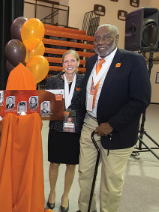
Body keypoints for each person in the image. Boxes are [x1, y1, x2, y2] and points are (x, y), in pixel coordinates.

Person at [77, 24, 151, 212]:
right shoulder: (91, 61)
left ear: (117, 38)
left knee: (110, 181)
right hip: (90, 124)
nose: (100, 42)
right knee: (85, 174)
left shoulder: (133, 61)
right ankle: (86, 209)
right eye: (97, 39)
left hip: (117, 130)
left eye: (106, 38)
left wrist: (111, 125)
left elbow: (140, 100)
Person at [46, 50, 84, 212]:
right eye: (66, 61)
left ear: (78, 62)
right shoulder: (52, 81)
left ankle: (66, 195)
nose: (69, 64)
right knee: (54, 162)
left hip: (75, 128)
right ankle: (52, 192)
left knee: (71, 163)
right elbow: (47, 105)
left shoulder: (84, 80)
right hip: (56, 127)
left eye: (72, 61)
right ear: (62, 64)